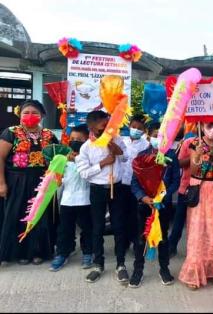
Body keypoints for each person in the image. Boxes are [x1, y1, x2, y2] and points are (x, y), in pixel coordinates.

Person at [0, 100, 59, 265]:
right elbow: (0, 158)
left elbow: (58, 158)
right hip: (16, 182)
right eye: (26, 113)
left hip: (42, 182)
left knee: (39, 217)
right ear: (19, 114)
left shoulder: (49, 134)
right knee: (17, 215)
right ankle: (16, 253)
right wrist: (1, 183)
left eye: (35, 113)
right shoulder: (10, 132)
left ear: (42, 116)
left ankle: (37, 252)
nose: (30, 116)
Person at [76, 110, 129, 284]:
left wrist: (117, 150)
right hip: (98, 190)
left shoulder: (117, 139)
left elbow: (126, 158)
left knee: (119, 226)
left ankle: (121, 264)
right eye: (103, 125)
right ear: (91, 126)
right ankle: (98, 264)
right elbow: (84, 173)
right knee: (97, 227)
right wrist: (103, 163)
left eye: (109, 124)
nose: (107, 128)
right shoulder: (86, 147)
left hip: (118, 188)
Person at [179, 122, 213, 290]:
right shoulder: (195, 143)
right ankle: (194, 273)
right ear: (202, 127)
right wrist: (197, 156)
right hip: (200, 187)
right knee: (198, 230)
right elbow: (194, 170)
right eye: (209, 126)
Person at [129, 122, 180, 288]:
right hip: (145, 205)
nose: (158, 138)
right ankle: (138, 270)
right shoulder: (141, 156)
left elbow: (175, 181)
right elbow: (135, 182)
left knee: (163, 238)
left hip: (162, 205)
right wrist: (142, 197)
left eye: (162, 135)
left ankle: (164, 269)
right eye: (155, 134)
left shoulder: (171, 156)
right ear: (148, 136)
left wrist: (162, 196)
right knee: (140, 238)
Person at [50, 124, 93, 271]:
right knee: (65, 228)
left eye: (79, 139)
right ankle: (63, 252)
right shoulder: (62, 158)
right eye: (72, 138)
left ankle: (88, 252)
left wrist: (78, 161)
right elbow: (57, 179)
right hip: (67, 200)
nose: (75, 141)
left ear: (87, 140)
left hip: (85, 200)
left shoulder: (90, 157)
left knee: (87, 228)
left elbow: (90, 176)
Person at [122, 115, 149, 248]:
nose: (136, 130)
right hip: (121, 184)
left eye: (139, 128)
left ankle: (136, 240)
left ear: (144, 131)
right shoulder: (122, 141)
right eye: (133, 127)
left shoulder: (146, 145)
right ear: (129, 126)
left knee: (136, 215)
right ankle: (124, 240)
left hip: (137, 185)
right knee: (122, 213)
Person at [168, 133, 195, 258]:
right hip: (187, 187)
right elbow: (179, 163)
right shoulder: (188, 142)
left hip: (207, 190)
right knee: (179, 218)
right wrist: (195, 156)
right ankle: (171, 246)